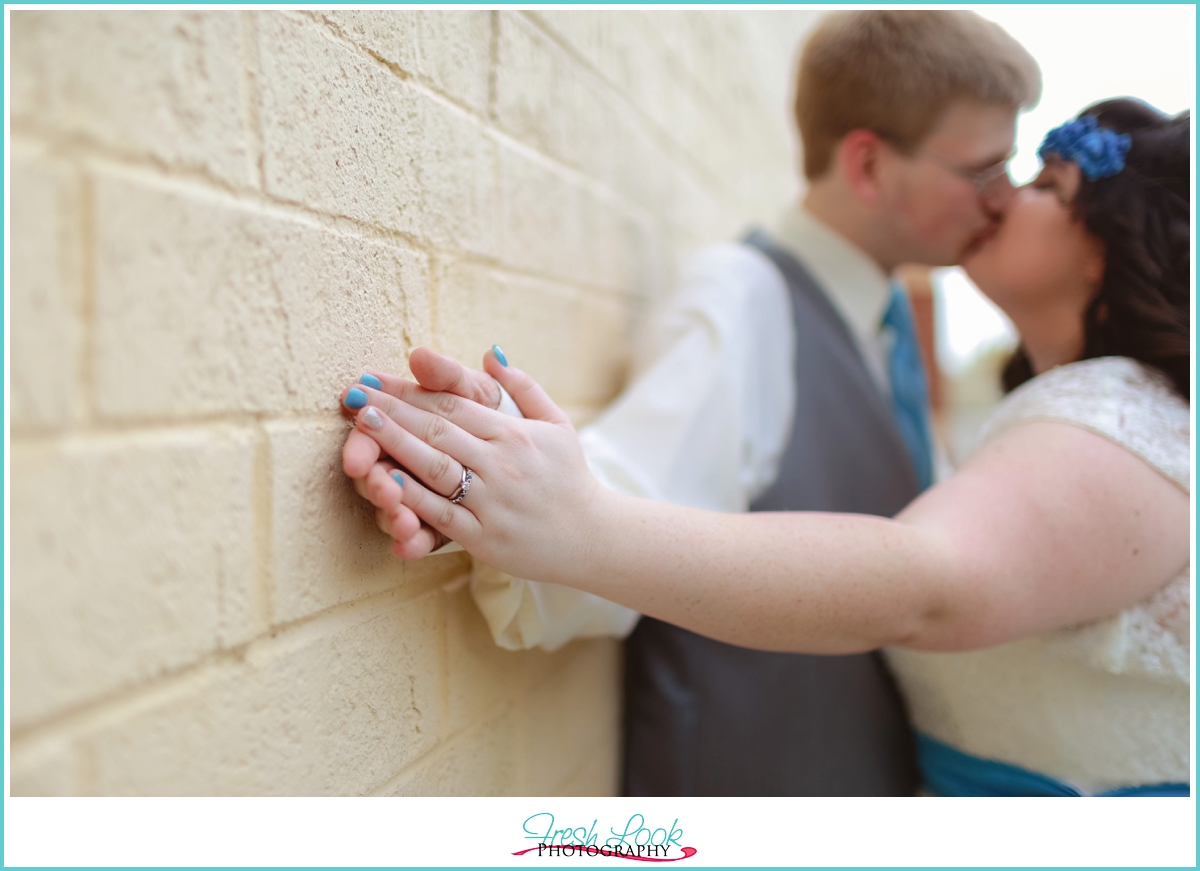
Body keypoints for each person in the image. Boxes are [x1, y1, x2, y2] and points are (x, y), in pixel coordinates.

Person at [343, 99, 1190, 796]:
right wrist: (512, 494)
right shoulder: (1065, 411)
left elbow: (930, 580)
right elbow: (649, 474)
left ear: (1113, 241)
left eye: (1044, 181)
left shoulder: (1125, 419)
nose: (1002, 197)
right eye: (986, 170)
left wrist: (577, 518)